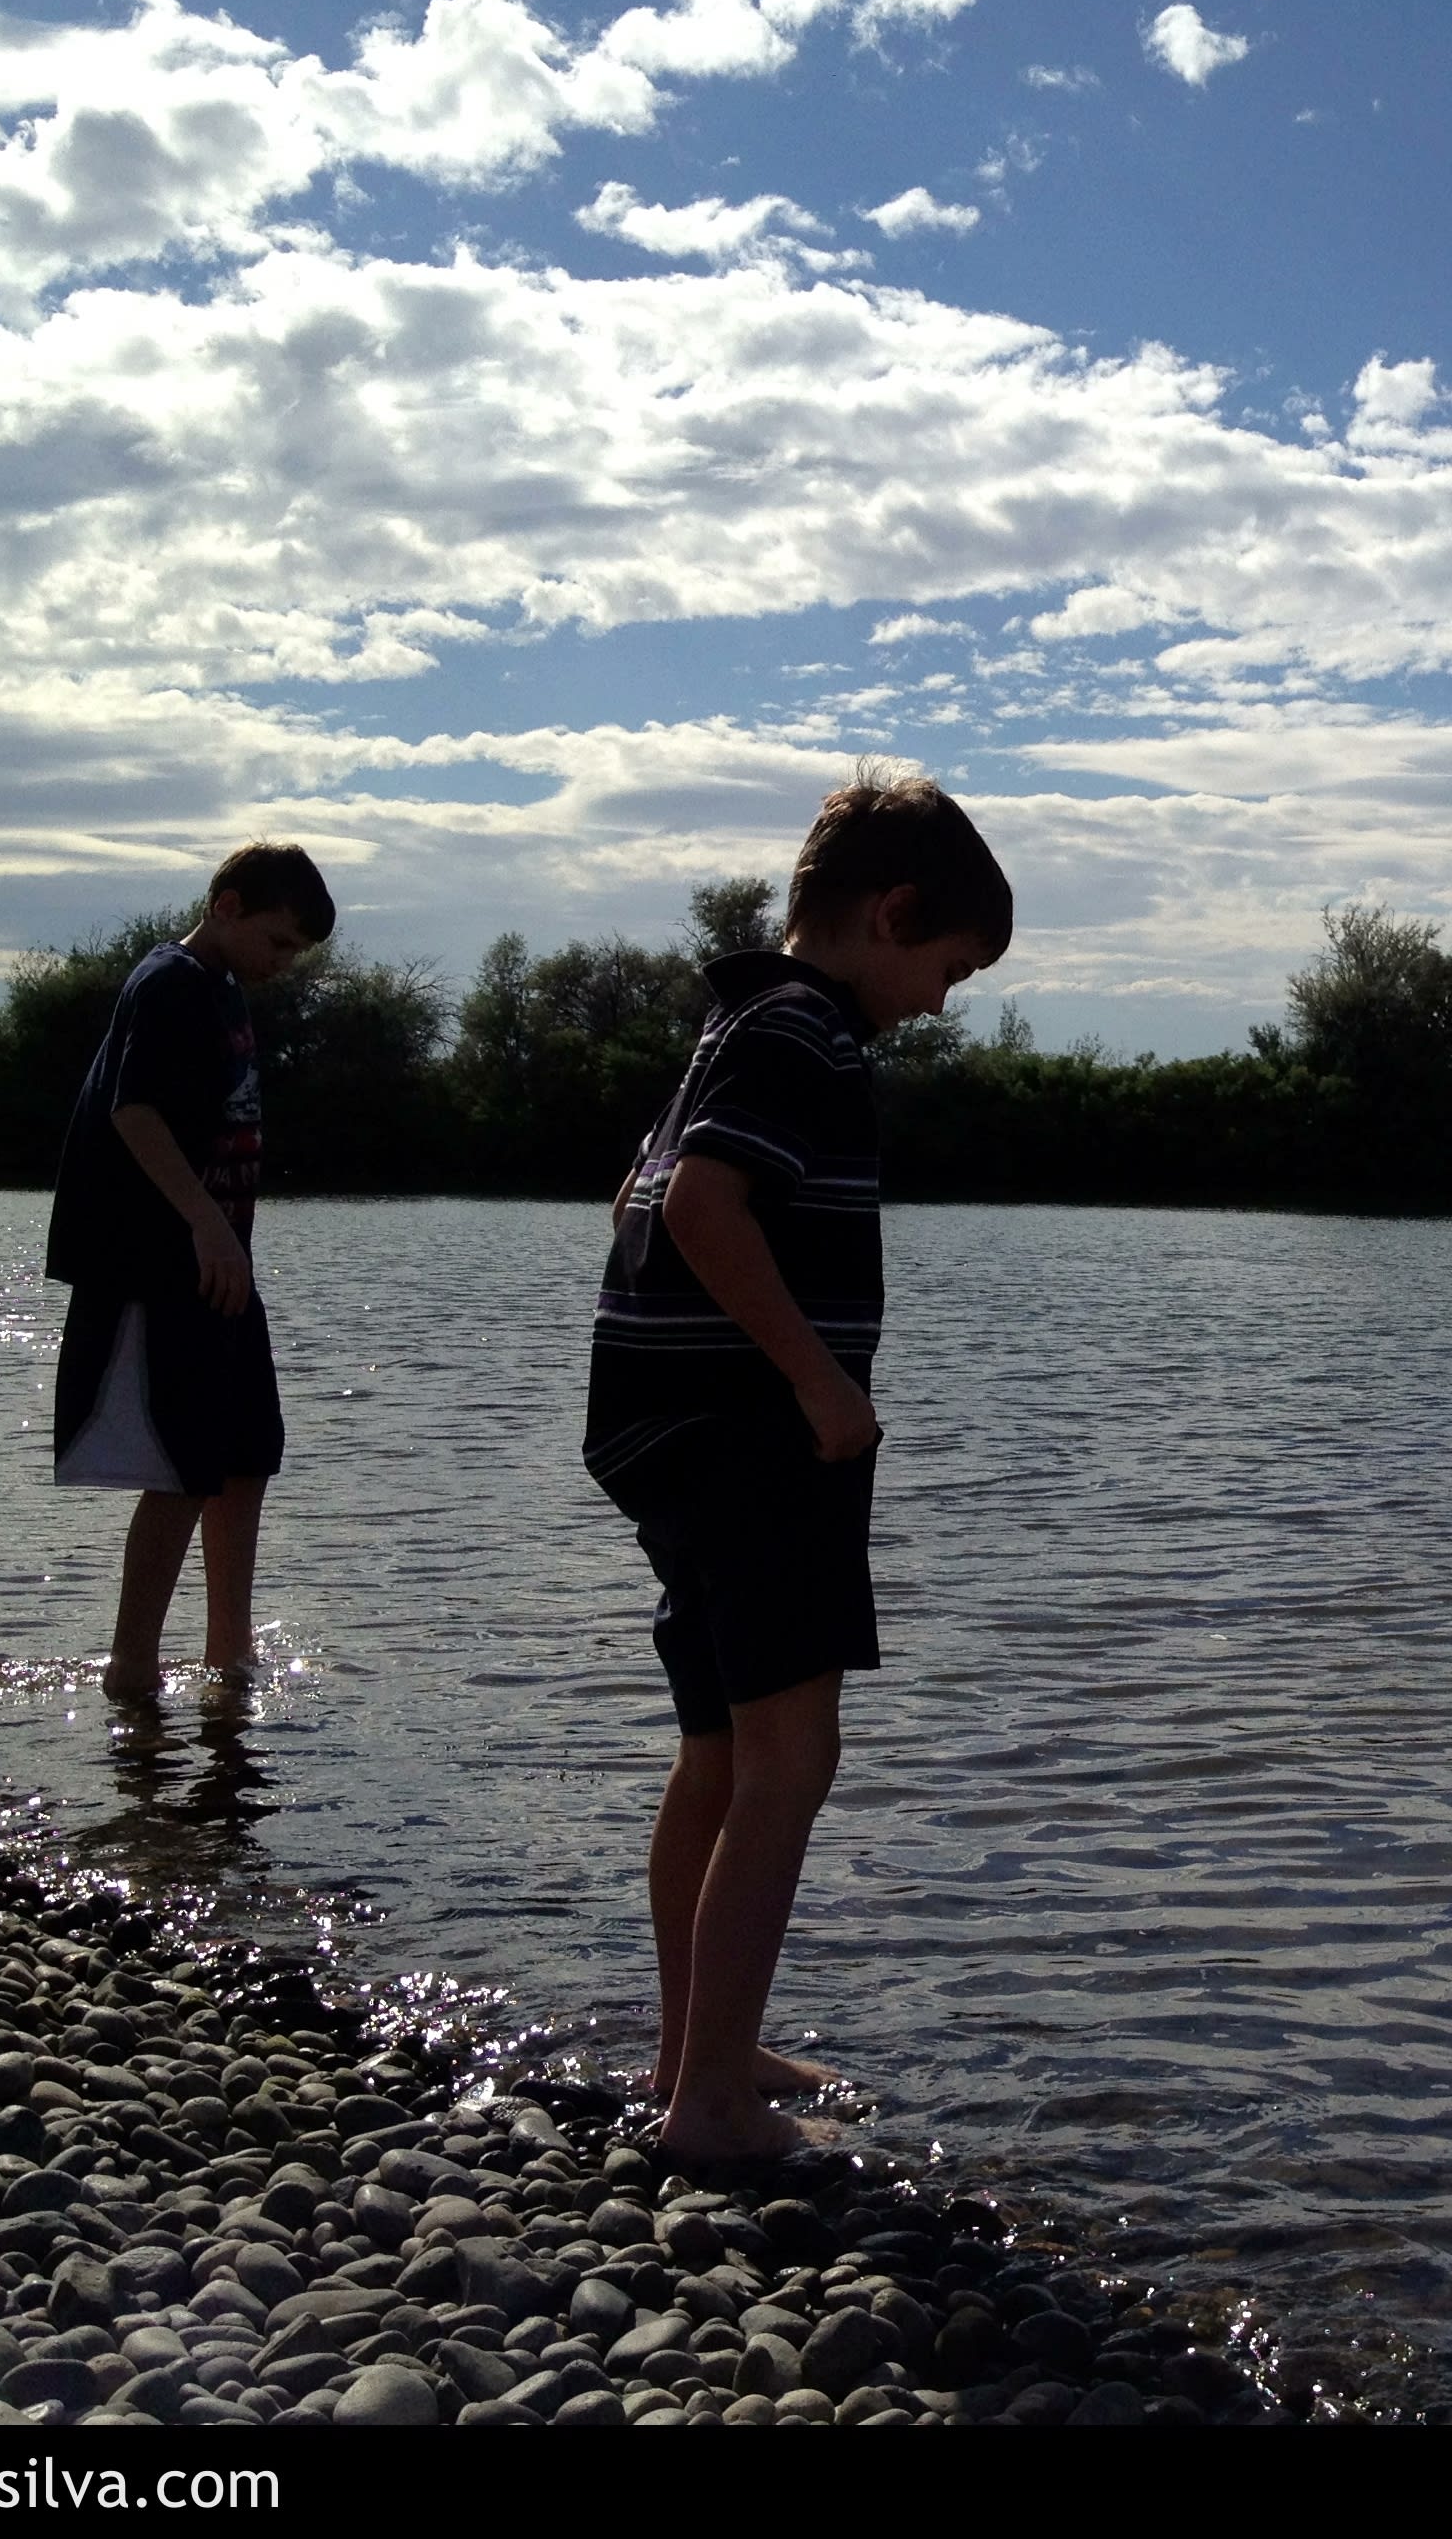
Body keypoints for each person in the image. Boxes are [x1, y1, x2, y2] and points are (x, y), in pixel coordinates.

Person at [584, 771, 1011, 2166]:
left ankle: (692, 2048)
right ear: (890, 915)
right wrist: (816, 1377)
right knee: (791, 1758)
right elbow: (705, 1207)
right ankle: (708, 2107)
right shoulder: (808, 1034)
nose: (944, 1002)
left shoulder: (734, 1023)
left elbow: (643, 1192)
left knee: (717, 1747)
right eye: (947, 968)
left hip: (666, 1430)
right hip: (751, 1437)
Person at [45, 844, 334, 1703]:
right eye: (277, 943)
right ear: (228, 904)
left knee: (246, 1455)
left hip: (218, 1263)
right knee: (182, 1467)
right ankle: (131, 1671)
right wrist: (207, 1224)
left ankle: (227, 1658)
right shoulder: (168, 980)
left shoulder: (221, 988)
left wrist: (225, 1240)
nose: (281, 965)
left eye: (293, 954)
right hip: (160, 1261)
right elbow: (134, 1112)